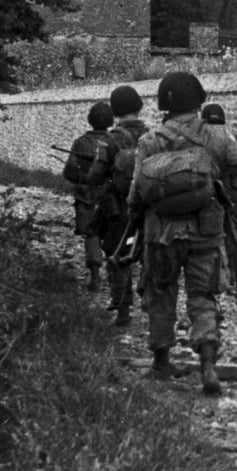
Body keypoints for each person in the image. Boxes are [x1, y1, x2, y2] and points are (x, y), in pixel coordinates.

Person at [127, 73, 237, 391]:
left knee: (160, 293)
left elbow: (136, 193)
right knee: (204, 297)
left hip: (161, 233)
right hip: (207, 232)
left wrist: (135, 220)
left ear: (163, 105)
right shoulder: (220, 137)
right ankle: (208, 366)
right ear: (199, 101)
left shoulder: (149, 140)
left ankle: (160, 364)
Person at [86, 85, 149, 327]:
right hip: (146, 205)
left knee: (117, 253)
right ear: (139, 108)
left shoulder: (110, 140)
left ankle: (123, 309)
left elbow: (95, 176)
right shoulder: (151, 135)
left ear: (115, 112)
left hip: (119, 209)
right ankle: (150, 301)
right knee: (147, 251)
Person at [62, 101, 113, 291]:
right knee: (111, 233)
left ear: (90, 120)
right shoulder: (114, 141)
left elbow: (69, 172)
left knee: (91, 234)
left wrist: (83, 178)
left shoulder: (81, 142)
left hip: (87, 196)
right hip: (111, 196)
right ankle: (115, 273)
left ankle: (95, 275)